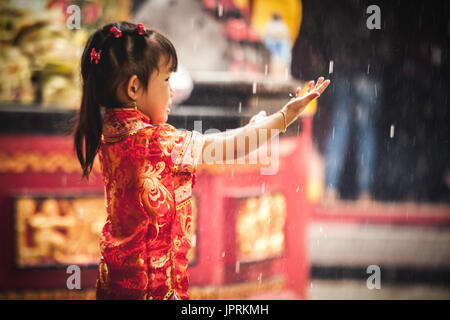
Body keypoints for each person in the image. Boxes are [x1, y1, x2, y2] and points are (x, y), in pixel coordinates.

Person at [72, 21, 330, 300]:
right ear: (134, 88)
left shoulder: (110, 132)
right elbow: (223, 147)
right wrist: (281, 119)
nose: (172, 91)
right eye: (167, 80)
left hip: (116, 286)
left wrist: (256, 126)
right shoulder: (155, 144)